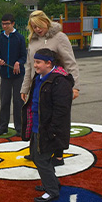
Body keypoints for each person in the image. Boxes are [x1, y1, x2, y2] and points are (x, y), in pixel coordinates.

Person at [21, 10, 80, 165]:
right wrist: (25, 87)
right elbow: (29, 65)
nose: (37, 29)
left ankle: (59, 156)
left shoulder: (59, 37)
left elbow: (70, 63)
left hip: (56, 84)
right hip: (37, 84)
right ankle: (36, 150)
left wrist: (75, 87)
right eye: (33, 27)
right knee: (36, 115)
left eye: (39, 26)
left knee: (57, 118)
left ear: (46, 21)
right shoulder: (32, 40)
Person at [21, 48, 74, 202]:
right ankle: (52, 183)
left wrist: (52, 130)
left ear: (49, 63)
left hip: (48, 129)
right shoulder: (39, 78)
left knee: (41, 159)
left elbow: (61, 109)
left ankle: (52, 190)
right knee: (38, 157)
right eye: (34, 61)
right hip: (37, 126)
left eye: (38, 62)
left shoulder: (59, 81)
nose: (35, 65)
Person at [0, 13, 27, 137]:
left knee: (18, 102)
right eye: (3, 24)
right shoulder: (0, 38)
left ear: (13, 24)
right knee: (4, 101)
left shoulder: (19, 38)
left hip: (18, 75)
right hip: (5, 75)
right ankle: (3, 127)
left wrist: (19, 62)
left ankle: (19, 127)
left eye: (7, 24)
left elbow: (24, 55)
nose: (4, 26)